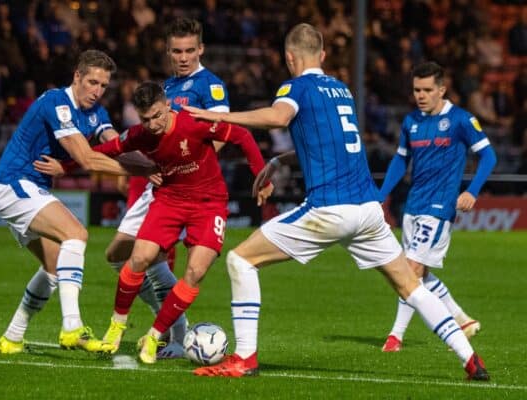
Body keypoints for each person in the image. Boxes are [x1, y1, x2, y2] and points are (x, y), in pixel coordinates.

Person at [184, 23, 489, 380]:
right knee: (411, 286)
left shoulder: (294, 86)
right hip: (369, 211)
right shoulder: (342, 90)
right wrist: (282, 160)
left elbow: (278, 117)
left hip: (329, 208)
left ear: (289, 58)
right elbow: (334, 146)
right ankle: (470, 359)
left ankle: (244, 357)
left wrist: (219, 116)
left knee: (240, 260)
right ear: (323, 56)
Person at [74, 81, 272, 364]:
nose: (153, 124)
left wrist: (261, 176)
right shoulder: (140, 135)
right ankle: (116, 327)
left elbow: (240, 135)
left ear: (168, 105)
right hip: (170, 199)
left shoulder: (194, 122)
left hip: (209, 203)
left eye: (157, 115)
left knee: (195, 271)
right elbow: (105, 150)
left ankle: (155, 336)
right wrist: (66, 165)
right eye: (146, 119)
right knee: (138, 258)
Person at [0, 49, 139, 355]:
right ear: (77, 77)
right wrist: (140, 170)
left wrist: (150, 157)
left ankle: (12, 337)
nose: (96, 91)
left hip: (32, 188)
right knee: (76, 234)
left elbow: (116, 143)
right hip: (14, 183)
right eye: (92, 82)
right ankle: (72, 327)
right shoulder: (56, 103)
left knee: (55, 265)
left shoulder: (96, 113)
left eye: (103, 86)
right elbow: (85, 157)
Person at [103, 17, 231, 359]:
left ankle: (174, 332)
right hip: (159, 183)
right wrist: (138, 166)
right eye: (177, 51)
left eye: (190, 50)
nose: (183, 57)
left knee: (151, 258)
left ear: (200, 49)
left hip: (187, 186)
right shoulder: (167, 89)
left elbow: (217, 140)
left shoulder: (211, 87)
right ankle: (172, 323)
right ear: (168, 51)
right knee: (118, 254)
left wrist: (175, 168)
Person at [378, 61, 497, 352]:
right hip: (413, 204)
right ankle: (462, 320)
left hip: (439, 205)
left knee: (410, 269)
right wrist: (381, 194)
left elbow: (489, 156)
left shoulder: (460, 120)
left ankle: (396, 336)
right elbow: (400, 160)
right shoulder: (411, 122)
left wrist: (471, 192)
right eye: (417, 89)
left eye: (428, 90)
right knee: (419, 273)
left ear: (441, 90)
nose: (421, 95)